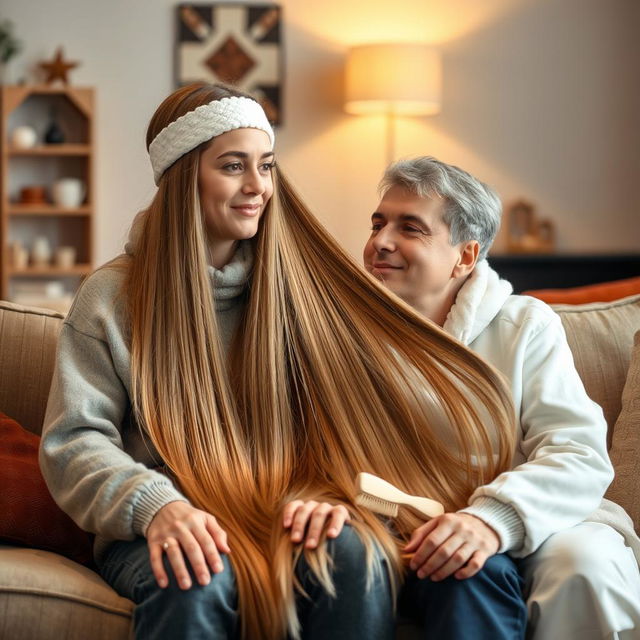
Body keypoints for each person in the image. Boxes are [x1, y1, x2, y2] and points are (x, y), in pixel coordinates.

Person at [40, 85, 523, 640]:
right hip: (163, 523)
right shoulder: (110, 297)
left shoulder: (300, 292)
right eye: (232, 166)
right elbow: (74, 442)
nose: (256, 186)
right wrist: (154, 508)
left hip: (284, 514)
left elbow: (336, 424)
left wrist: (329, 498)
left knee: (356, 555)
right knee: (198, 575)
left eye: (266, 166)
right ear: (182, 177)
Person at [363, 155, 640, 639]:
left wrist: (491, 520)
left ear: (465, 256)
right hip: (402, 525)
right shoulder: (345, 332)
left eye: (410, 228)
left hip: (536, 515)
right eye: (378, 223)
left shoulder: (525, 325)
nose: (380, 242)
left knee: (583, 565)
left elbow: (576, 452)